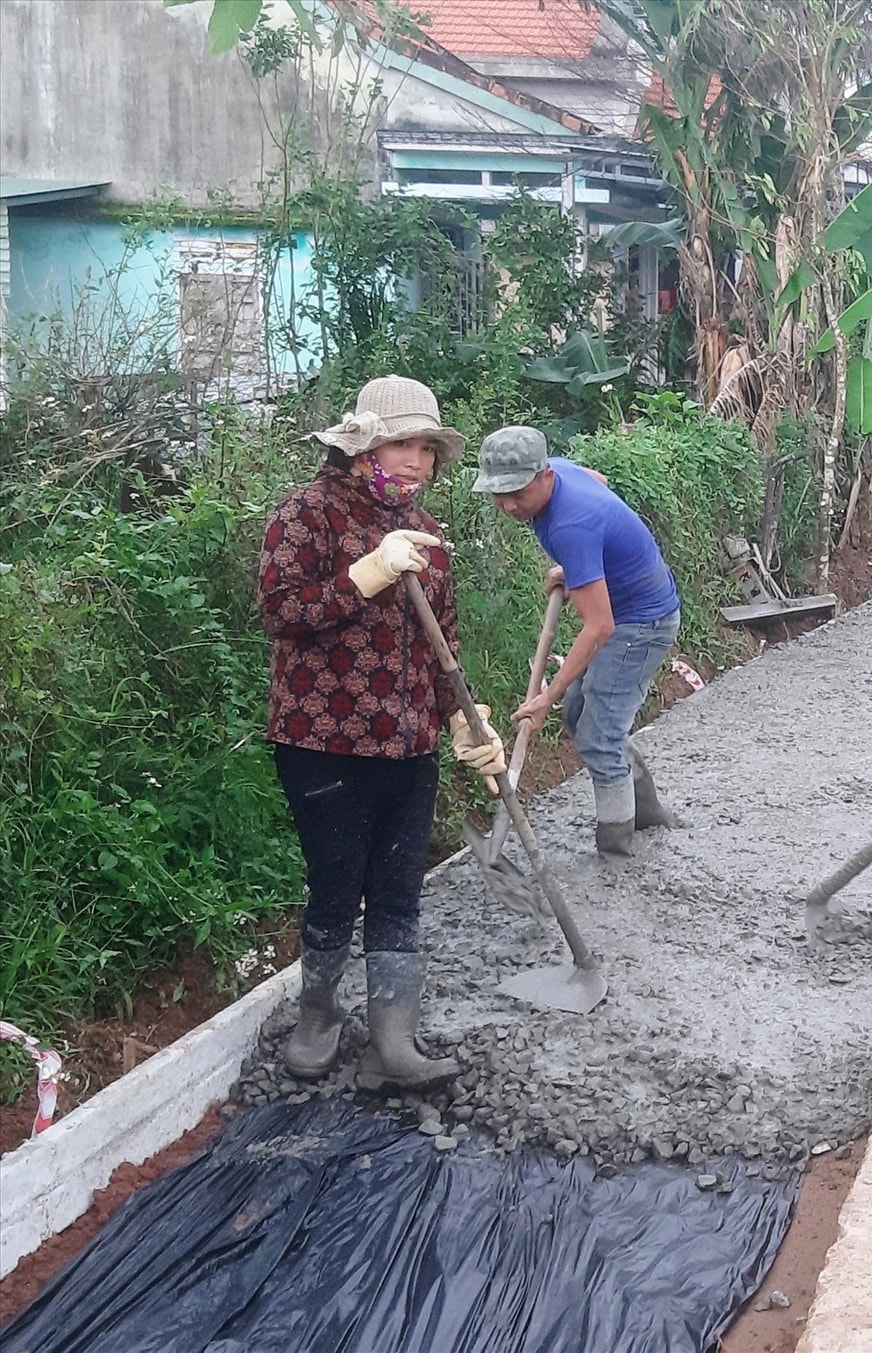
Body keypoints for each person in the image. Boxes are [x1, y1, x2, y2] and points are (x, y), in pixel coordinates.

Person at [259, 375, 506, 1090]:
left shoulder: (428, 535)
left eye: (428, 449)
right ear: (363, 444)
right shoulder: (305, 514)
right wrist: (364, 574)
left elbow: (442, 641)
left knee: (399, 890)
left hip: (409, 746)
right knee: (336, 886)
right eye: (403, 444)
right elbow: (281, 611)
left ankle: (392, 1041)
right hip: (323, 741)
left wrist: (463, 716)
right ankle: (319, 1015)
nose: (418, 462)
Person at [472, 427, 681, 857]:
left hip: (641, 624)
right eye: (499, 494)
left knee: (598, 736)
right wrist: (579, 568)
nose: (509, 505)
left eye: (518, 493)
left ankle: (616, 844)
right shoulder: (562, 472)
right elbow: (597, 480)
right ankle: (646, 809)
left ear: (545, 477)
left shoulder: (570, 524)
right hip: (625, 607)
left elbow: (599, 627)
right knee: (580, 713)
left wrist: (546, 694)